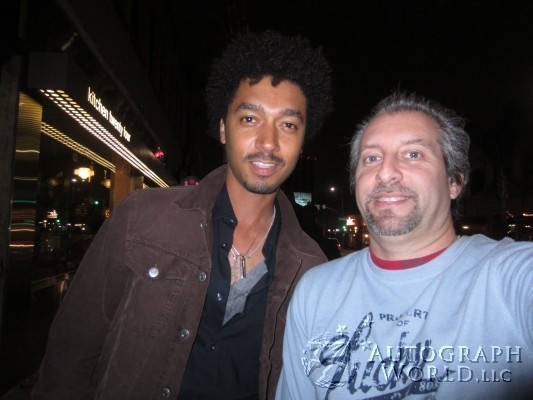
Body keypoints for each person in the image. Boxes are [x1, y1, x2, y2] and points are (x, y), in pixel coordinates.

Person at [33, 30, 332, 400]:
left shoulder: (313, 271)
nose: (268, 142)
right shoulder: (142, 217)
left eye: (288, 125)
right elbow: (71, 353)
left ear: (302, 140)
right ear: (223, 128)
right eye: (249, 119)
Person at [277, 92, 533, 400]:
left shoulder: (508, 279)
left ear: (454, 181)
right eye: (371, 158)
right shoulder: (315, 291)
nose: (385, 172)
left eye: (413, 154)